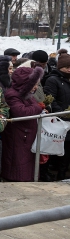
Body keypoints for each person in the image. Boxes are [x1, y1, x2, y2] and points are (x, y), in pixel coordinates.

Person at [1, 66, 45, 182]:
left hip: (26, 135)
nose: (36, 87)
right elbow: (22, 112)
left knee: (27, 163)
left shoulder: (26, 94)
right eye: (34, 84)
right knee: (18, 163)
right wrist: (38, 107)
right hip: (18, 136)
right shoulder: (12, 95)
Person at [43, 52, 70, 180]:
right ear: (60, 67)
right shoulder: (52, 80)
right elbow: (51, 99)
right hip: (59, 121)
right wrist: (64, 114)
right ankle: (57, 174)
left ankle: (63, 174)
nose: (69, 69)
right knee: (59, 149)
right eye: (67, 67)